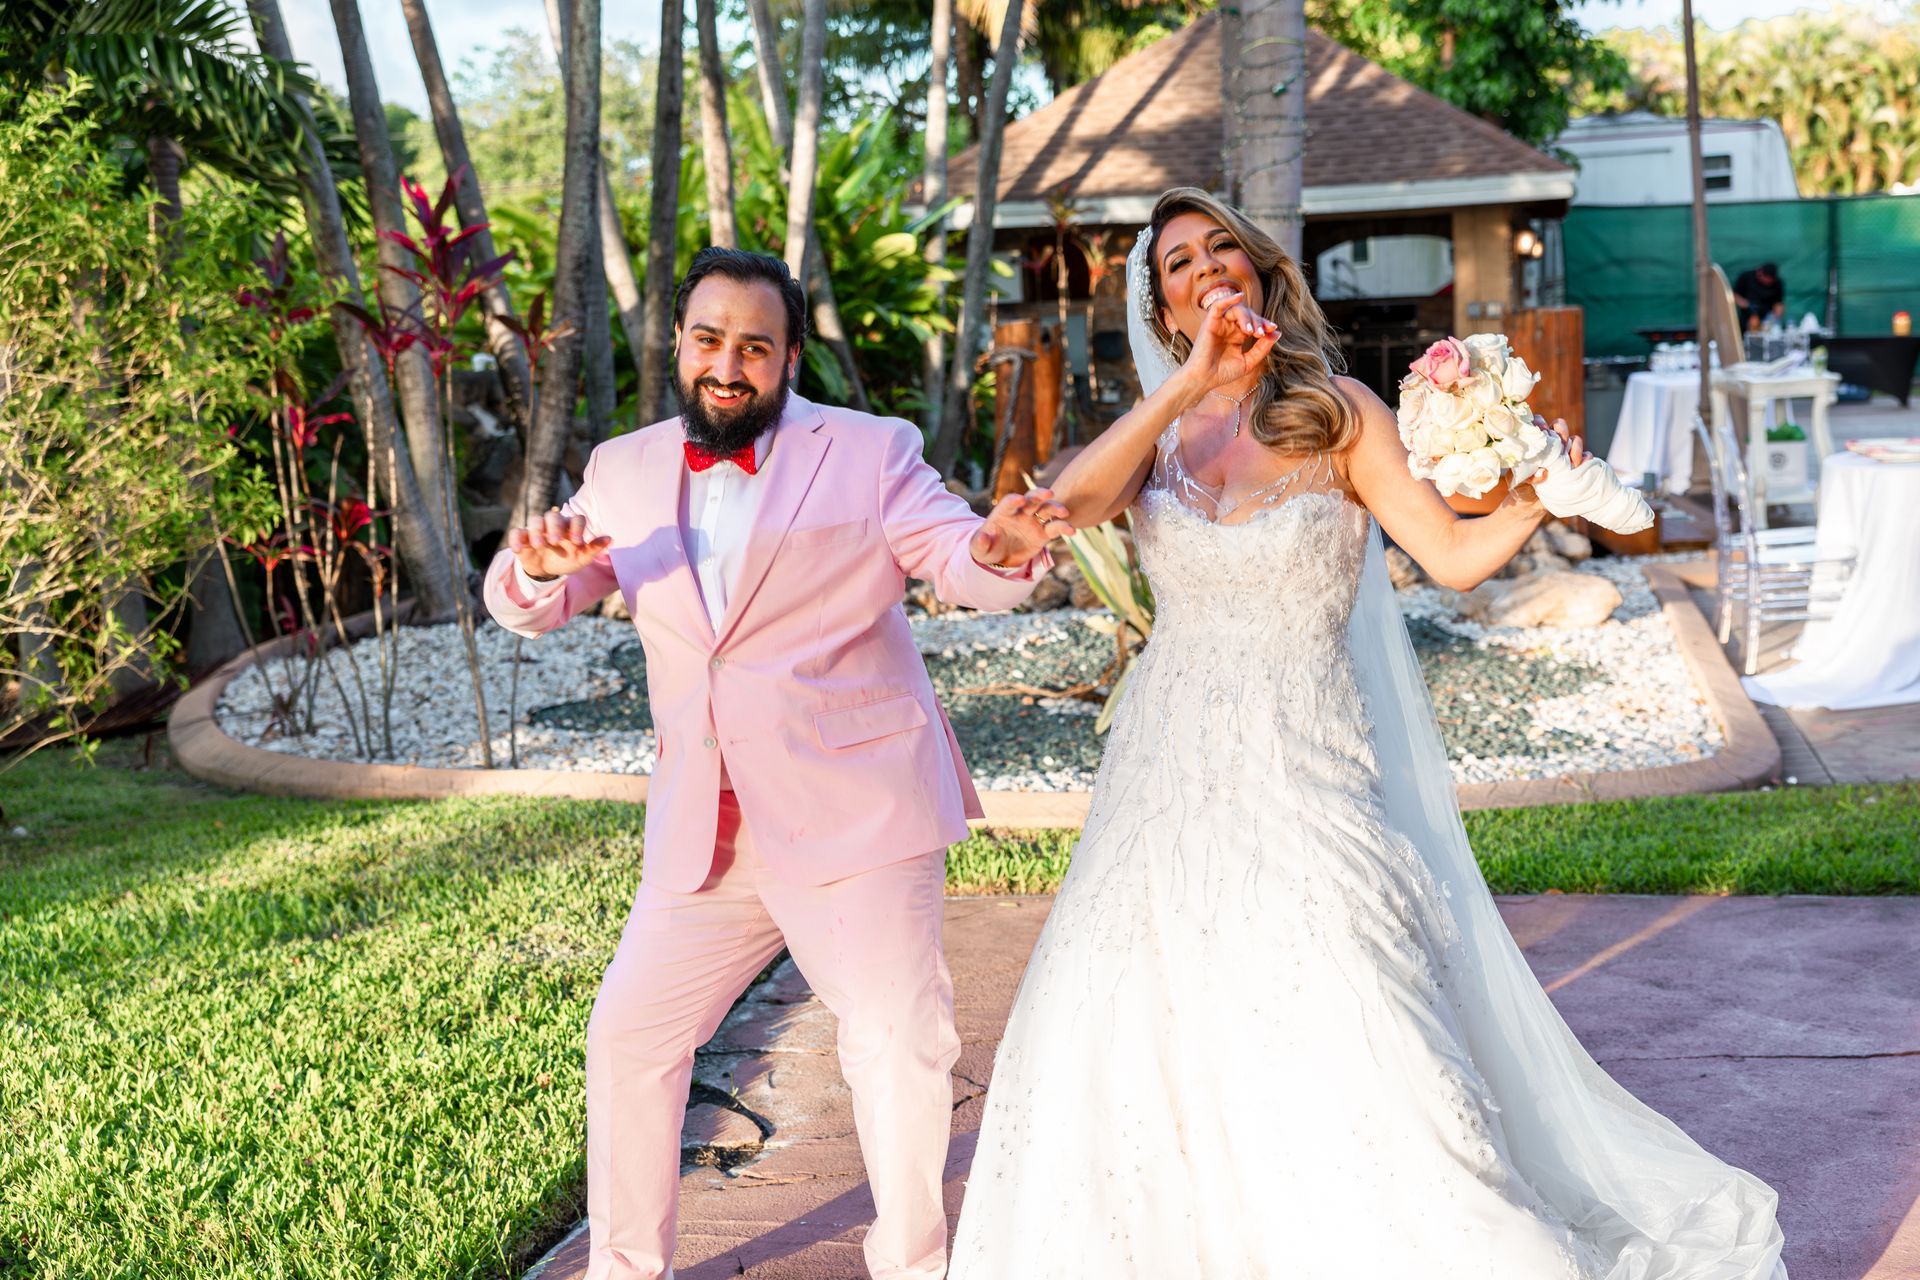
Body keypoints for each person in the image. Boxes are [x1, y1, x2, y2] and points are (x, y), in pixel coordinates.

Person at [947, 187, 1788, 1278]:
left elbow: (1446, 554)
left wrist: (1530, 502)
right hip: (1165, 772)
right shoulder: (1156, 438)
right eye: (1178, 264)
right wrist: (1189, 387)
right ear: (1163, 308)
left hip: (1306, 761)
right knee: (1133, 1011)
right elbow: (1073, 499)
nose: (1206, 270)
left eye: (1222, 252)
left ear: (1258, 273)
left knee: (1347, 996)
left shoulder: (1339, 409)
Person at [482, 247, 1072, 1280]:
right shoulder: (624, 468)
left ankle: (911, 1261)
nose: (728, 364)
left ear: (790, 356)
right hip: (706, 833)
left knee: (898, 1042)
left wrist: (1002, 545)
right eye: (708, 339)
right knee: (628, 1039)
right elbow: (533, 596)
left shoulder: (870, 449)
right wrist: (533, 567)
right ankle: (626, 1267)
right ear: (678, 343)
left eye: (755, 346)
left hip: (856, 813)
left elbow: (956, 559)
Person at [1734, 262, 1786, 332]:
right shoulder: (1746, 277)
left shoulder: (1777, 283)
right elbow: (1735, 296)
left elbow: (1779, 303)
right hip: (1747, 314)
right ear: (1760, 273)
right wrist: (1746, 305)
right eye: (1767, 279)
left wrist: (1776, 315)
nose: (1768, 282)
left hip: (1768, 317)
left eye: (1771, 280)